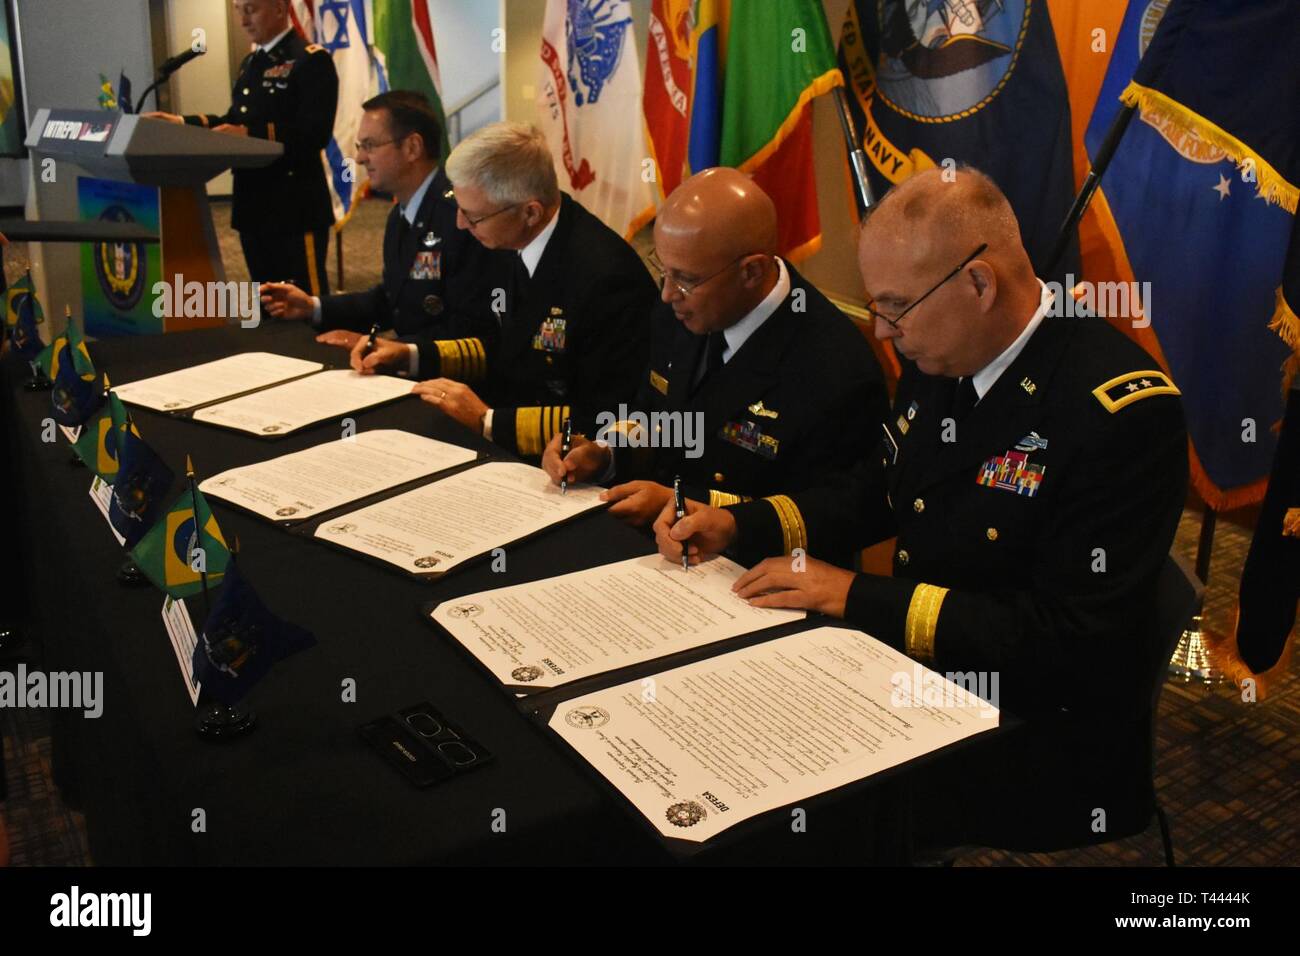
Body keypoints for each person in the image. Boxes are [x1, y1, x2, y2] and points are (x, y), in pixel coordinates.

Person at [655, 167, 1189, 851]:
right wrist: (741, 522)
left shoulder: (1117, 413)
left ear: (979, 284)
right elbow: (881, 487)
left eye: (896, 307)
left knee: (773, 810)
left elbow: (1068, 642)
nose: (880, 331)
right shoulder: (947, 350)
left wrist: (853, 594)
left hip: (1031, 722)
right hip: (915, 669)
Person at [540, 167, 888, 527]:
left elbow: (830, 515)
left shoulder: (835, 367)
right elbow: (658, 415)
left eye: (687, 279)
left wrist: (685, 503)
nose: (667, 293)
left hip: (749, 567)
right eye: (664, 269)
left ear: (751, 272)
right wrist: (605, 452)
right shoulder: (678, 309)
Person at [351, 122, 658, 459]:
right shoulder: (514, 239)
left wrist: (488, 421)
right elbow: (502, 345)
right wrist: (411, 354)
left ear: (530, 211)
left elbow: (612, 415)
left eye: (473, 216)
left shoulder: (605, 278)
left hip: (565, 462)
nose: (460, 225)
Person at [260, 90, 505, 368]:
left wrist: (390, 349)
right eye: (359, 145)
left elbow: (475, 332)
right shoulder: (402, 215)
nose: (360, 157)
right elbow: (392, 299)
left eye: (370, 145)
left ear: (412, 147)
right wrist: (313, 307)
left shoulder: (462, 219)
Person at [146, 0, 338, 294]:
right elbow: (232, 122)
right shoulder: (251, 63)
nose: (244, 19)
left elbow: (315, 133)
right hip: (253, 202)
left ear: (278, 9)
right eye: (238, 10)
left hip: (294, 204)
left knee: (304, 302)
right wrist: (182, 122)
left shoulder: (310, 60)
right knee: (266, 301)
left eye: (251, 9)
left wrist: (249, 132)